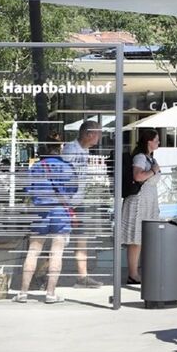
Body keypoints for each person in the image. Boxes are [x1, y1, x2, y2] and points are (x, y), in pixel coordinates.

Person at [14, 144, 76, 303]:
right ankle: (50, 294)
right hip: (60, 212)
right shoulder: (67, 167)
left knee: (33, 251)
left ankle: (23, 293)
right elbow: (72, 190)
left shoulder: (36, 167)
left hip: (40, 212)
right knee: (56, 253)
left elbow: (27, 189)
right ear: (60, 149)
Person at [60, 119, 104, 286]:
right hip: (67, 204)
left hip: (78, 202)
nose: (100, 137)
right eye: (98, 133)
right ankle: (42, 274)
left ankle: (82, 277)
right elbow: (61, 177)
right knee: (60, 241)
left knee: (81, 239)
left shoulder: (85, 151)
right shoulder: (71, 150)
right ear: (89, 134)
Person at [117, 129, 162, 285]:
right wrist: (153, 170)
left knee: (142, 238)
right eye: (156, 140)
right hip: (139, 201)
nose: (159, 143)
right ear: (149, 141)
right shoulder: (141, 157)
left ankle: (138, 271)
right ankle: (133, 273)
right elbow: (138, 176)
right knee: (136, 239)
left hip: (147, 201)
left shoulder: (149, 158)